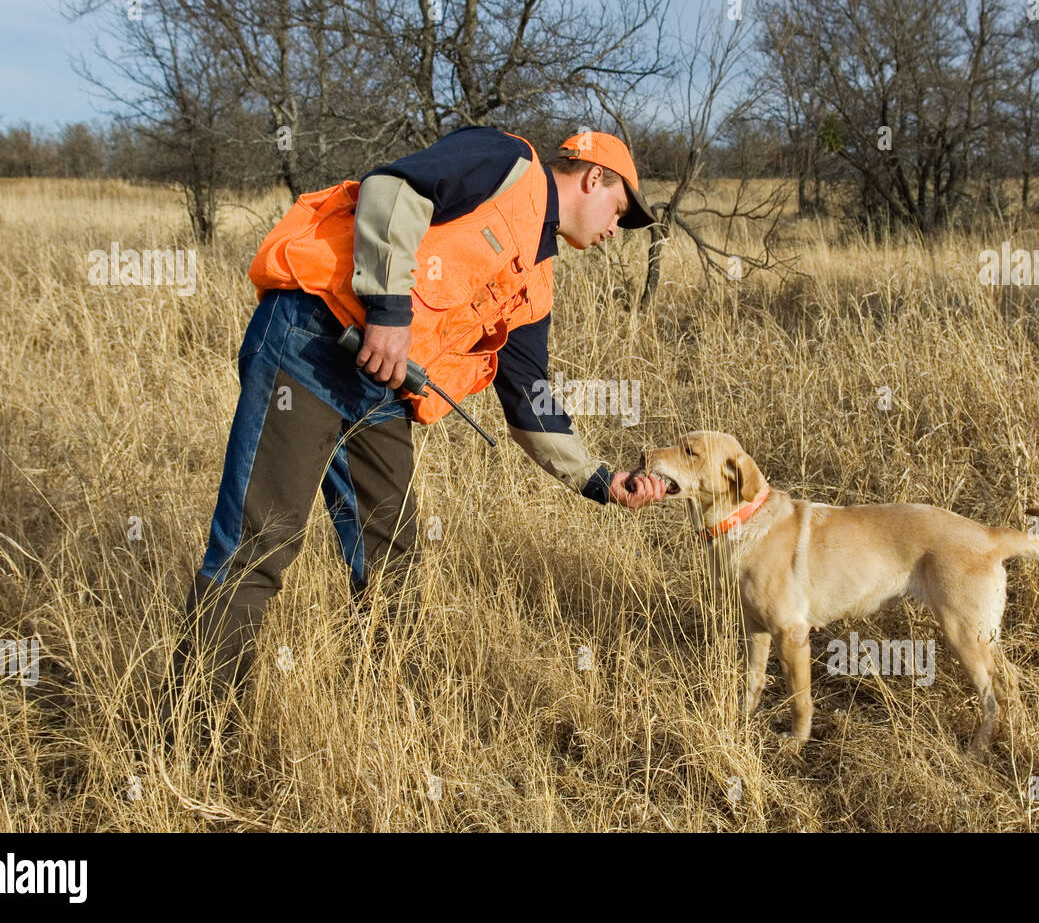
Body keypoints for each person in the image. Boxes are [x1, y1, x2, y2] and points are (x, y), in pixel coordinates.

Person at [161, 126, 670, 728]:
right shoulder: (508, 162)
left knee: (393, 557)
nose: (616, 229)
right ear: (594, 178)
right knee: (259, 545)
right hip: (313, 339)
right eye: (620, 209)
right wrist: (389, 310)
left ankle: (390, 727)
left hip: (379, 383)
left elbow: (529, 394)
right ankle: (191, 739)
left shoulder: (537, 277)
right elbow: (392, 188)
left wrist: (600, 479)